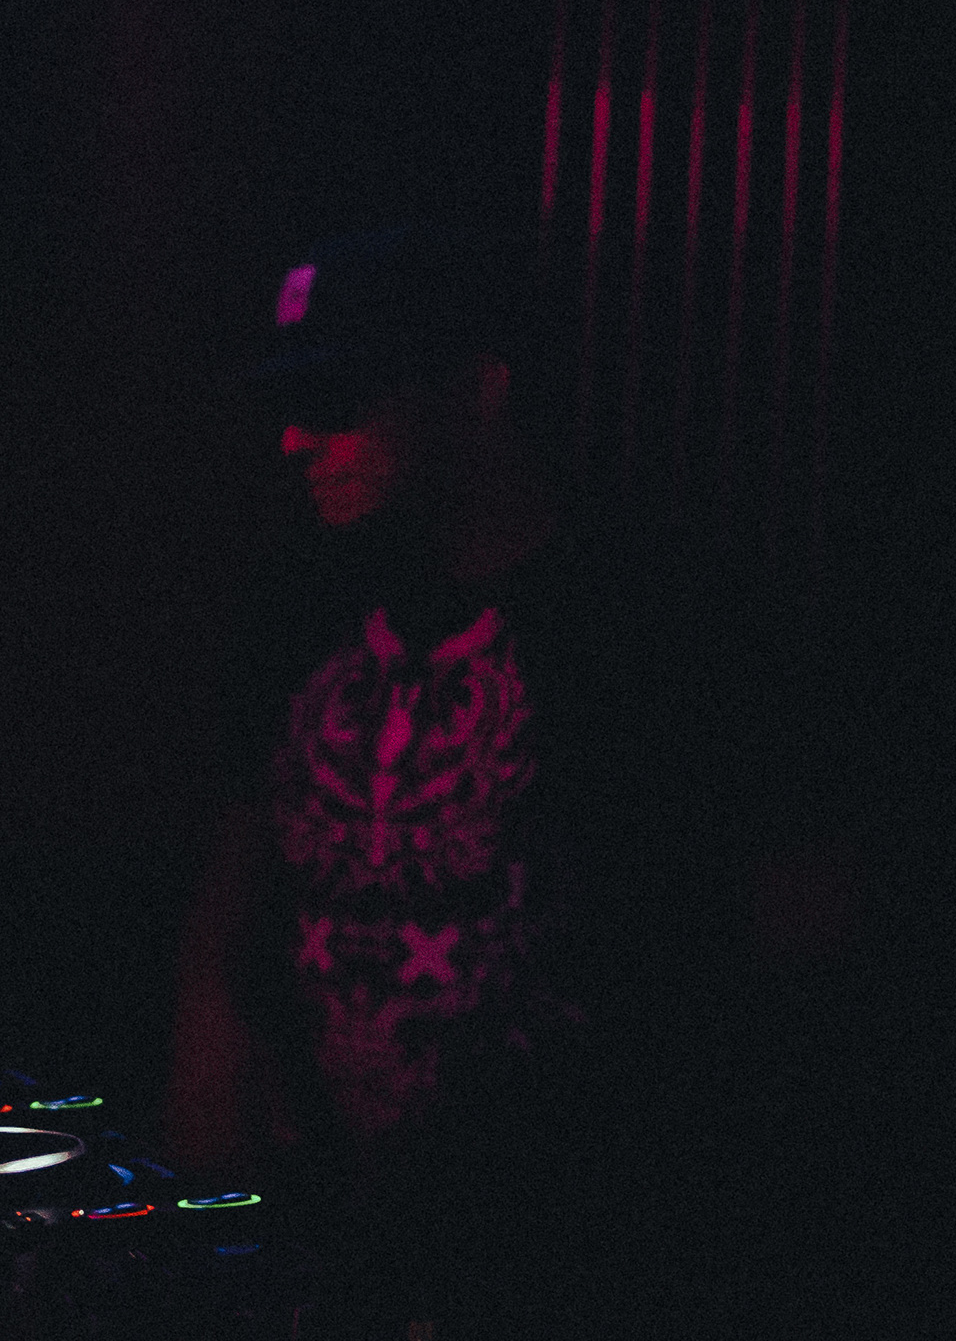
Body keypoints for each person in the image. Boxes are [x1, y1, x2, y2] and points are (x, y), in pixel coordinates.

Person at [167, 220, 698, 1341]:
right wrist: (211, 1013)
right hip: (325, 1201)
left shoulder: (631, 611)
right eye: (290, 406)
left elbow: (709, 913)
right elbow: (245, 826)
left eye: (342, 401)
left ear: (475, 391)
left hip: (552, 1224)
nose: (298, 440)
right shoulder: (297, 598)